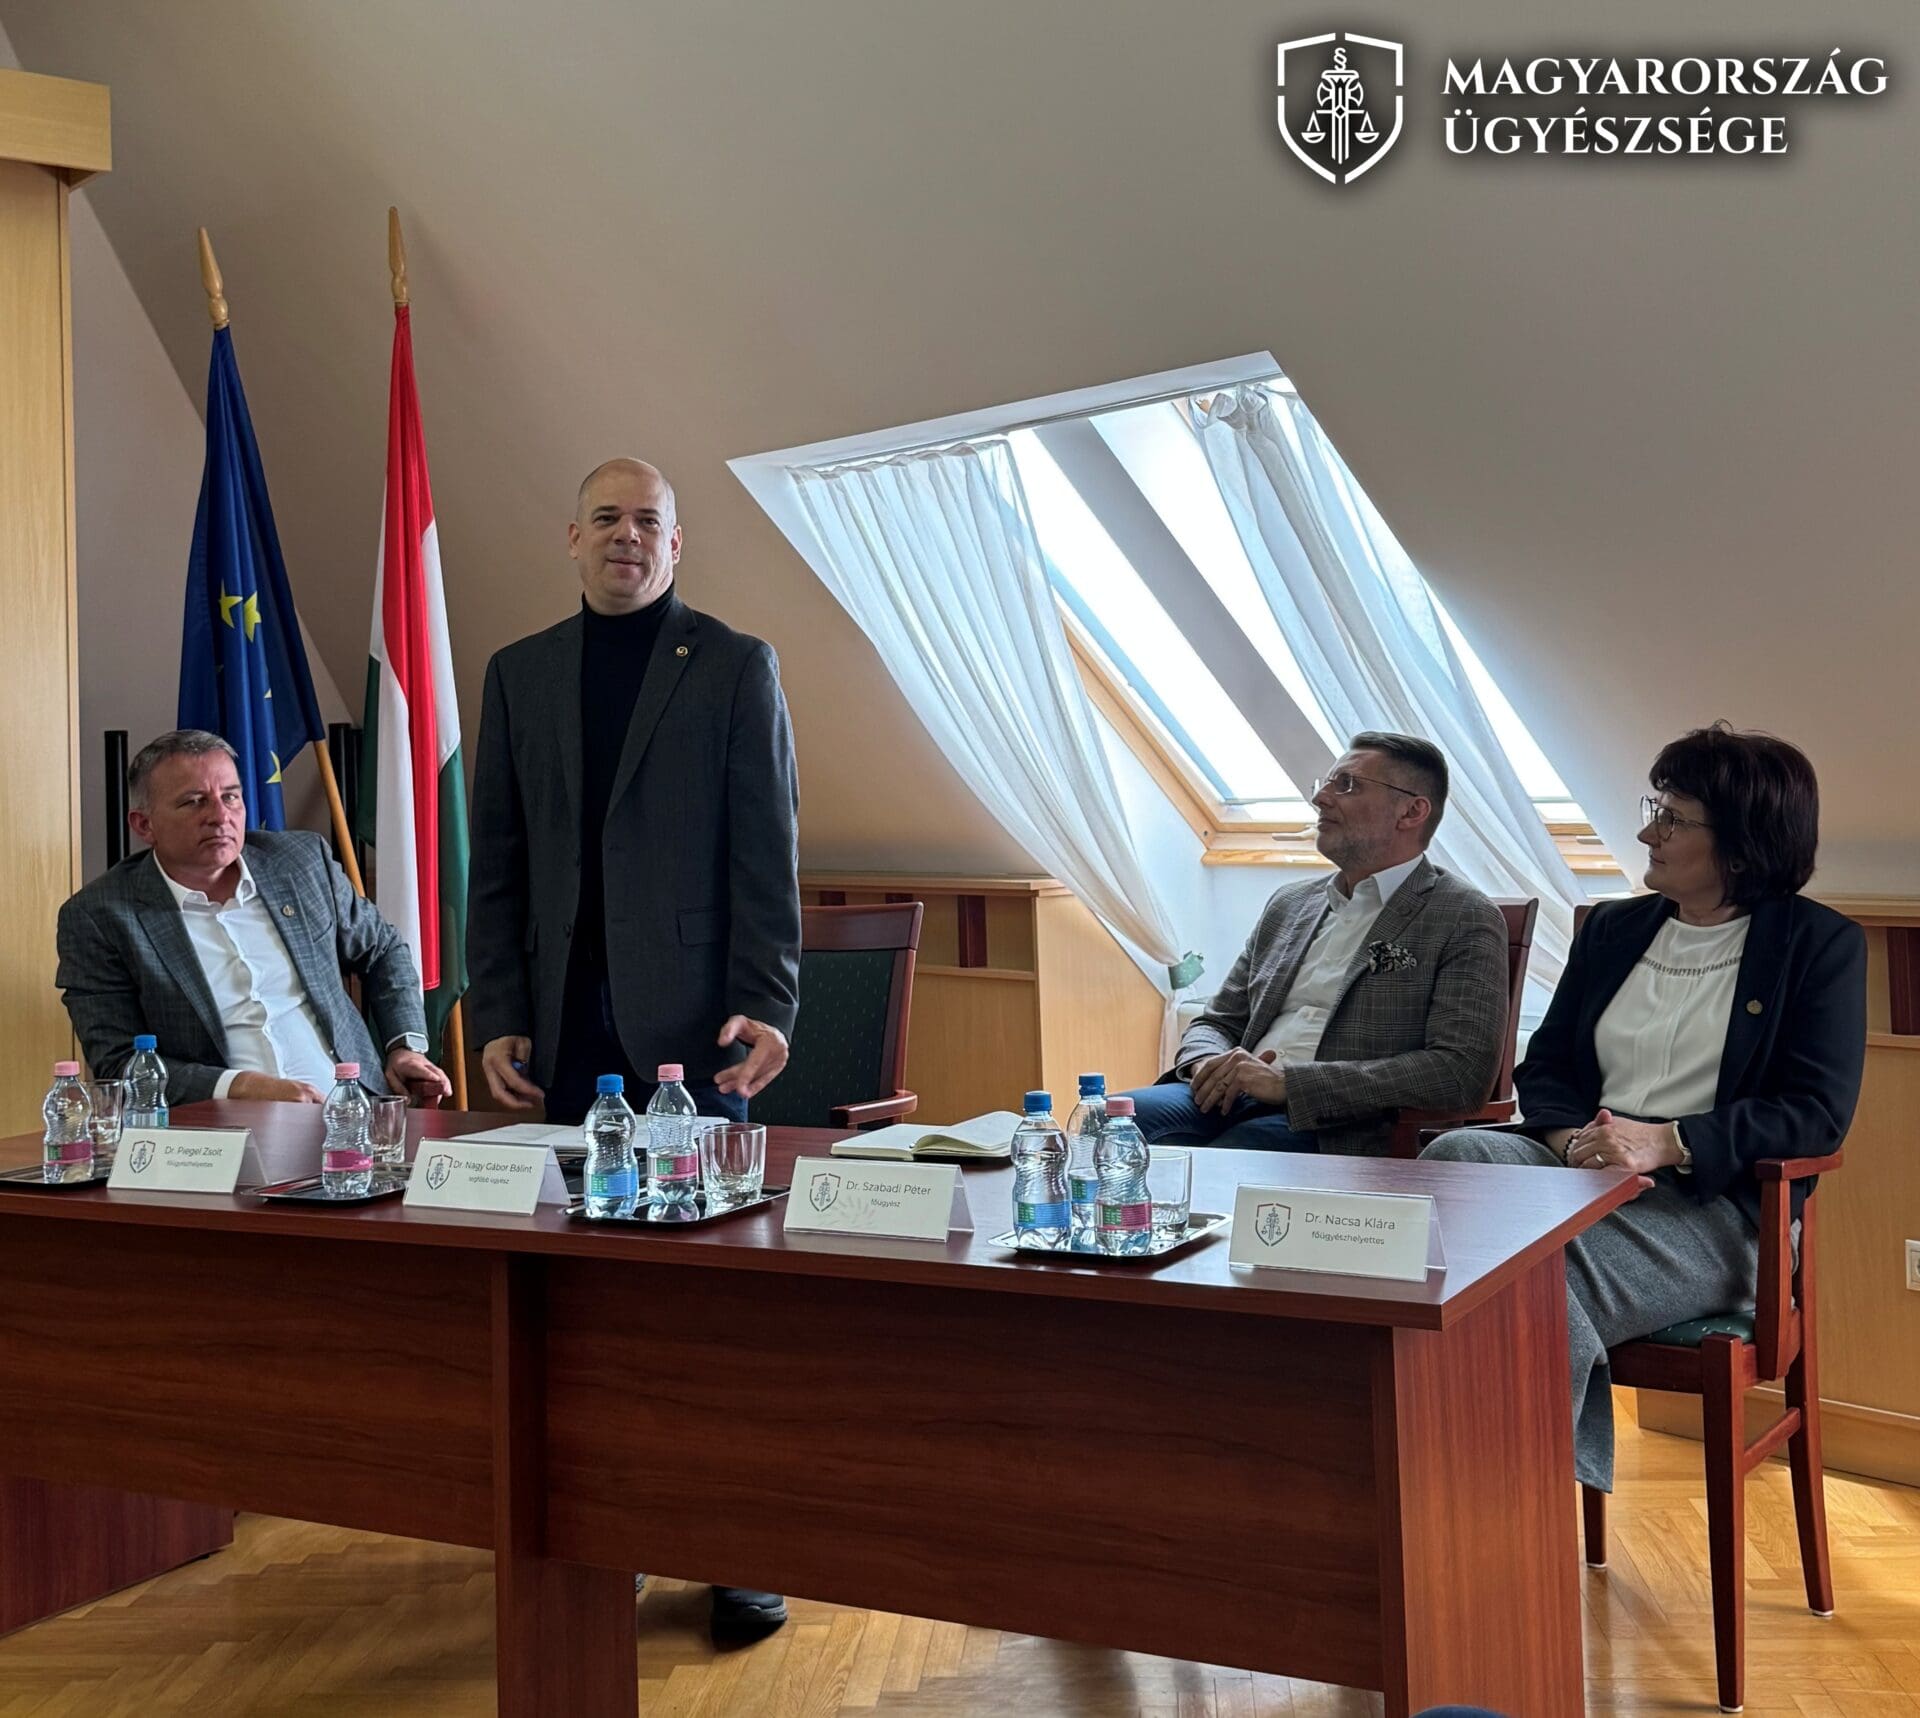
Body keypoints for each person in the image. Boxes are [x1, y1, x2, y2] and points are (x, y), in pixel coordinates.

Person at [467, 456, 798, 1641]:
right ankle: (610, 1528)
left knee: (710, 1306)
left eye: (647, 520)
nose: (626, 535)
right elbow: (498, 859)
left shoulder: (735, 663)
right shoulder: (519, 671)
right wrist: (496, 1007)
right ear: (571, 537)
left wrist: (770, 1001)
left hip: (697, 1031)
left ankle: (739, 1549)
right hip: (564, 1028)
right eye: (605, 517)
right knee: (586, 1307)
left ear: (675, 544)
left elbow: (766, 850)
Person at [1424, 724, 1866, 1493]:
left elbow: (1815, 1113)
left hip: (1713, 1208)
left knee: (1520, 1273)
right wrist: (1573, 1143)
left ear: (1740, 844)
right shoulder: (1614, 929)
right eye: (1654, 810)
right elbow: (1547, 1065)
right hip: (1581, 1174)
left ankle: (1506, 1498)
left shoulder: (1817, 945)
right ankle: (1500, 1484)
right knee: (1453, 1161)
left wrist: (1668, 1142)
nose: (1646, 833)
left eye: (1672, 818)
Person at [1119, 733, 1508, 1155]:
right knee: (1106, 1123)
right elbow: (1218, 1021)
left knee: (1229, 1162)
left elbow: (1459, 1071)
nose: (1321, 798)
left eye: (1348, 785)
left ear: (1411, 811)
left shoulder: (1462, 915)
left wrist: (1291, 1084)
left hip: (1337, 1124)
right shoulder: (1290, 903)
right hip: (1227, 1098)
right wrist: (1207, 1064)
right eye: (1326, 783)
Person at [56, 729, 450, 1106]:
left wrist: (405, 1047)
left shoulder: (300, 864)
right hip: (220, 1132)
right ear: (144, 825)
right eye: (194, 801)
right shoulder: (100, 917)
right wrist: (239, 1087)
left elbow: (382, 949)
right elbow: (120, 1063)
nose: (220, 815)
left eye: (230, 796)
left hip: (353, 1111)